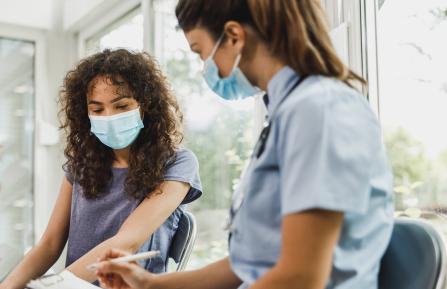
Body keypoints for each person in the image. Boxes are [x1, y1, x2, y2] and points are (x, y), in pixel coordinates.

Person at [96, 0, 394, 288]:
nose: (205, 67)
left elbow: (301, 278)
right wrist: (150, 284)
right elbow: (246, 264)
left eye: (201, 53)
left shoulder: (317, 111)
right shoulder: (285, 114)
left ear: (235, 37)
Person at [0, 49, 202, 289]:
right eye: (97, 110)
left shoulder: (177, 163)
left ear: (144, 105)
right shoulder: (81, 165)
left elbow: (125, 243)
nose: (109, 116)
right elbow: (50, 244)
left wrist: (52, 286)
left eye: (121, 106)